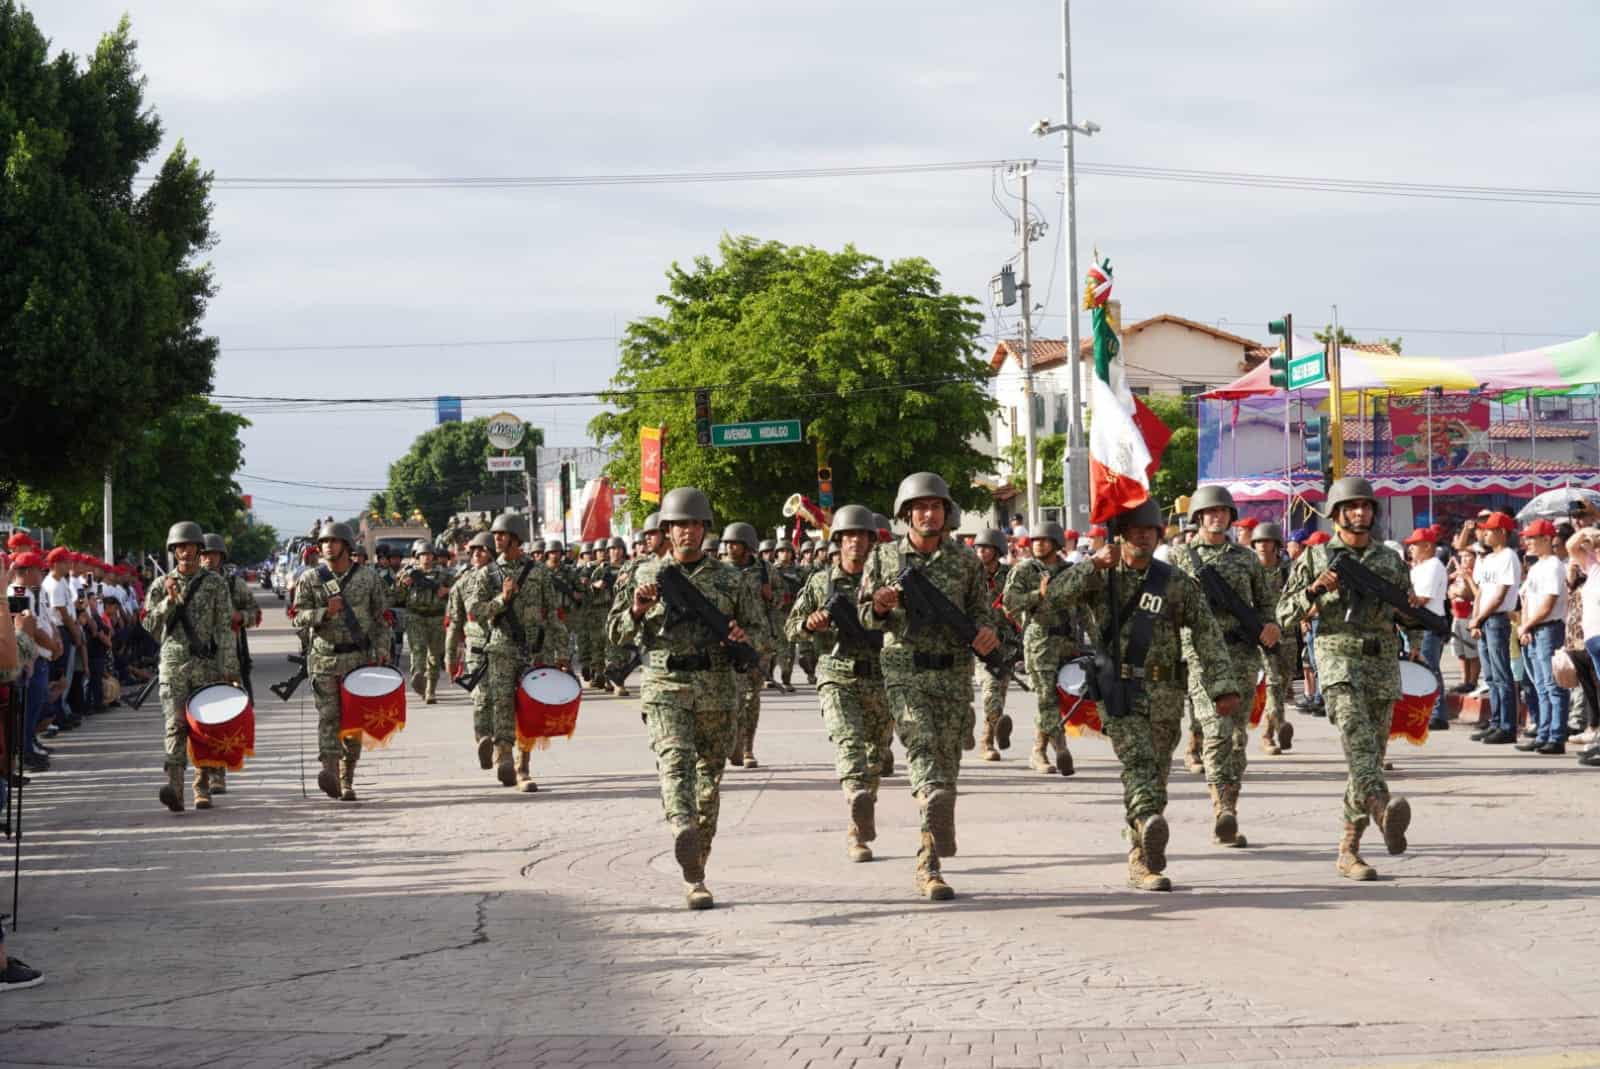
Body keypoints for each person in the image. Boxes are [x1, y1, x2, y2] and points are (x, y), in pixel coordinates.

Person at [1042, 500, 1240, 891]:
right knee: (1137, 764)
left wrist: (1222, 685)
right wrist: (1091, 565)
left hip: (1166, 690)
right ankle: (1147, 830)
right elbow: (1053, 598)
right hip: (1120, 689)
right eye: (1135, 529)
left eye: (1150, 529)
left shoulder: (1175, 581)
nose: (1143, 535)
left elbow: (1206, 635)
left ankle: (1143, 852)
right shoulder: (1102, 575)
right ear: (1121, 534)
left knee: (1156, 774)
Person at [607, 487, 767, 910]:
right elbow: (615, 632)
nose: (687, 532)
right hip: (664, 684)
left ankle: (696, 870)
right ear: (667, 530)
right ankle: (681, 826)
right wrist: (638, 611)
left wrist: (742, 637)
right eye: (679, 525)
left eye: (695, 524)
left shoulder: (732, 579)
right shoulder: (642, 575)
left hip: (716, 687)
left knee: (708, 785)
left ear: (705, 529)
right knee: (675, 761)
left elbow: (763, 633)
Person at [859, 473, 999, 901]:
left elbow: (983, 612)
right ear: (905, 514)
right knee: (921, 745)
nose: (927, 513)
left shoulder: (965, 561)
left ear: (945, 513)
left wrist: (988, 634)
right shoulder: (883, 559)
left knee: (946, 762)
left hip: (953, 673)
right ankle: (933, 811)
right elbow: (864, 616)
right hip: (903, 668)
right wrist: (879, 606)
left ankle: (930, 862)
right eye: (919, 507)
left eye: (935, 506)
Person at [1277, 477, 1417, 881]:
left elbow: (1406, 615)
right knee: (1358, 742)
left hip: (1381, 664)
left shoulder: (1390, 561)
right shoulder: (1316, 558)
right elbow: (1284, 613)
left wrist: (1412, 614)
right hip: (1338, 660)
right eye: (1352, 507)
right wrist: (1314, 592)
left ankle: (1349, 851)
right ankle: (1381, 807)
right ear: (1337, 513)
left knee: (1368, 755)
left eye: (1367, 507)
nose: (1361, 513)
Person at [1172, 487, 1279, 849]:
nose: (1217, 517)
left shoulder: (1246, 559)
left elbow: (1265, 604)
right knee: (1216, 731)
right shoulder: (1181, 558)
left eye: (1223, 512)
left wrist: (1270, 625)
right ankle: (1220, 810)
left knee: (1236, 739)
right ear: (1198, 517)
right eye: (1210, 512)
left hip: (1242, 654)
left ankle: (1230, 810)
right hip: (1201, 655)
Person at [787, 505, 892, 862]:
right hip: (836, 674)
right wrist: (809, 624)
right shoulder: (821, 582)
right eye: (849, 537)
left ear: (872, 542)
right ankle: (855, 797)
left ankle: (859, 824)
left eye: (862, 536)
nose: (855, 543)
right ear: (839, 542)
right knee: (849, 741)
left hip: (880, 676)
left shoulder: (886, 582)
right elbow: (791, 626)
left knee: (875, 756)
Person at [142, 522, 239, 812]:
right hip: (173, 664)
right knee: (175, 726)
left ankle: (202, 786)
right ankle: (174, 788)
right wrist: (168, 603)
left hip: (206, 664)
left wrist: (229, 668)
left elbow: (223, 629)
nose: (184, 551)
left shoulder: (215, 583)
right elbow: (148, 625)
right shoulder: (161, 585)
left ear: (199, 549)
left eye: (189, 546)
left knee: (206, 728)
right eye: (179, 547)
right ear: (173, 551)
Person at [466, 515, 568, 790]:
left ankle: (524, 768)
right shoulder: (487, 573)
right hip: (501, 647)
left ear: (516, 537)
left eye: (502, 534)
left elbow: (554, 616)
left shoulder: (539, 573)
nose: (496, 538)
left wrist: (563, 652)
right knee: (502, 703)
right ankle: (506, 758)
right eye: (495, 534)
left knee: (529, 708)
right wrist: (502, 599)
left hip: (535, 650)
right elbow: (475, 611)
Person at [293, 521, 392, 802]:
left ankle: (348, 777)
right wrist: (323, 612)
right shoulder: (311, 578)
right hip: (324, 658)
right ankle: (330, 772)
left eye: (333, 541)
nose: (327, 546)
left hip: (357, 659)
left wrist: (382, 648)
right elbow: (297, 616)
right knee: (328, 717)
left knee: (353, 722)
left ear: (346, 546)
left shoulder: (368, 578)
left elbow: (381, 618)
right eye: (324, 542)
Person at [1000, 521, 1084, 773]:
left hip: (1068, 643)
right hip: (1039, 643)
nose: (1038, 544)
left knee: (1059, 699)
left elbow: (1085, 609)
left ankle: (1038, 749)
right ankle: (1059, 748)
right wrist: (1039, 594)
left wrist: (1097, 642)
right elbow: (1009, 604)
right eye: (1035, 540)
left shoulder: (1070, 570)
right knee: (1046, 698)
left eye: (1044, 540)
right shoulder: (1024, 571)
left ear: (1057, 544)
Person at [199, 532, 260, 796]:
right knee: (200, 719)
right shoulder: (192, 583)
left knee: (222, 719)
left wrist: (240, 616)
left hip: (228, 659)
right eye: (203, 554)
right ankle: (203, 773)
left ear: (221, 557)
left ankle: (218, 774)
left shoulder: (234, 585)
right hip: (197, 660)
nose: (207, 559)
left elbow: (255, 613)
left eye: (212, 554)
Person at [720, 522, 775, 767]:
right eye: (728, 543)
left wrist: (772, 596)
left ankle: (747, 748)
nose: (731, 547)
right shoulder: (720, 572)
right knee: (734, 696)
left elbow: (784, 602)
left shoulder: (765, 570)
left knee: (752, 698)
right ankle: (733, 741)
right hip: (731, 641)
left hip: (759, 643)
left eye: (736, 543)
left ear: (747, 546)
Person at [1515, 519, 1568, 754]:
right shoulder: (1537, 566)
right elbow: (1526, 598)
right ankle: (1544, 732)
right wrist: (1525, 626)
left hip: (1549, 628)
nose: (1528, 542)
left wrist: (1528, 624)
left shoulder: (1555, 565)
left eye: (1532, 538)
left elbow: (1548, 603)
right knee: (1541, 686)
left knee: (1552, 684)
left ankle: (1556, 736)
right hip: (1535, 628)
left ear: (1547, 539)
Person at [1469, 512, 1522, 745]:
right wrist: (1475, 619)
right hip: (1483, 619)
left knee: (1502, 674)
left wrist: (1480, 618)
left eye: (1489, 530)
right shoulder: (1488, 559)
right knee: (1490, 676)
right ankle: (1496, 721)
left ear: (1502, 532)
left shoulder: (1508, 556)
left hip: (1497, 619)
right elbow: (1481, 592)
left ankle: (1508, 726)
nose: (1485, 533)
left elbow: (1500, 595)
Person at [446, 532, 495, 755]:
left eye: (482, 549)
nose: (476, 554)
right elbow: (454, 623)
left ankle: (504, 749)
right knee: (481, 697)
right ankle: (483, 737)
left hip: (509, 646)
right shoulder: (462, 583)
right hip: (477, 649)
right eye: (473, 550)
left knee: (507, 700)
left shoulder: (507, 578)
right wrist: (449, 656)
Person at [1249, 522, 1296, 754]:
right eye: (1258, 541)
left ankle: (1272, 729)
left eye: (1266, 541)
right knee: (1274, 680)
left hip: (1287, 633)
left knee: (1282, 683)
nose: (1262, 546)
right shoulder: (1250, 570)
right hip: (1261, 636)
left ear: (1276, 545)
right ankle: (1275, 729)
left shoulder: (1289, 570)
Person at [972, 529, 1019, 764]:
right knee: (991, 688)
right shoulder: (969, 575)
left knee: (1000, 690)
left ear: (997, 551)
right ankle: (986, 741)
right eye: (978, 548)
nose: (981, 552)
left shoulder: (1010, 576)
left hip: (1005, 644)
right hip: (978, 642)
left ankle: (990, 736)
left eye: (986, 548)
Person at [1403, 527, 1451, 732]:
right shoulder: (1417, 568)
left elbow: (1422, 599)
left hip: (1428, 623)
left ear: (1428, 546)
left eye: (1415, 544)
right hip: (1415, 624)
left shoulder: (1433, 566)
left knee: (1430, 667)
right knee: (1419, 669)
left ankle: (1438, 714)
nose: (1411, 548)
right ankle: (1423, 711)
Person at [396, 541, 451, 704]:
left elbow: (459, 590)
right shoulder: (408, 573)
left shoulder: (444, 574)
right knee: (418, 649)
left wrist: (446, 591)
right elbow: (397, 596)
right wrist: (402, 585)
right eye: (422, 555)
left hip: (437, 617)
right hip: (415, 616)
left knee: (434, 655)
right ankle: (418, 676)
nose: (426, 558)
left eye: (429, 554)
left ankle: (431, 690)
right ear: (416, 557)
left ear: (434, 556)